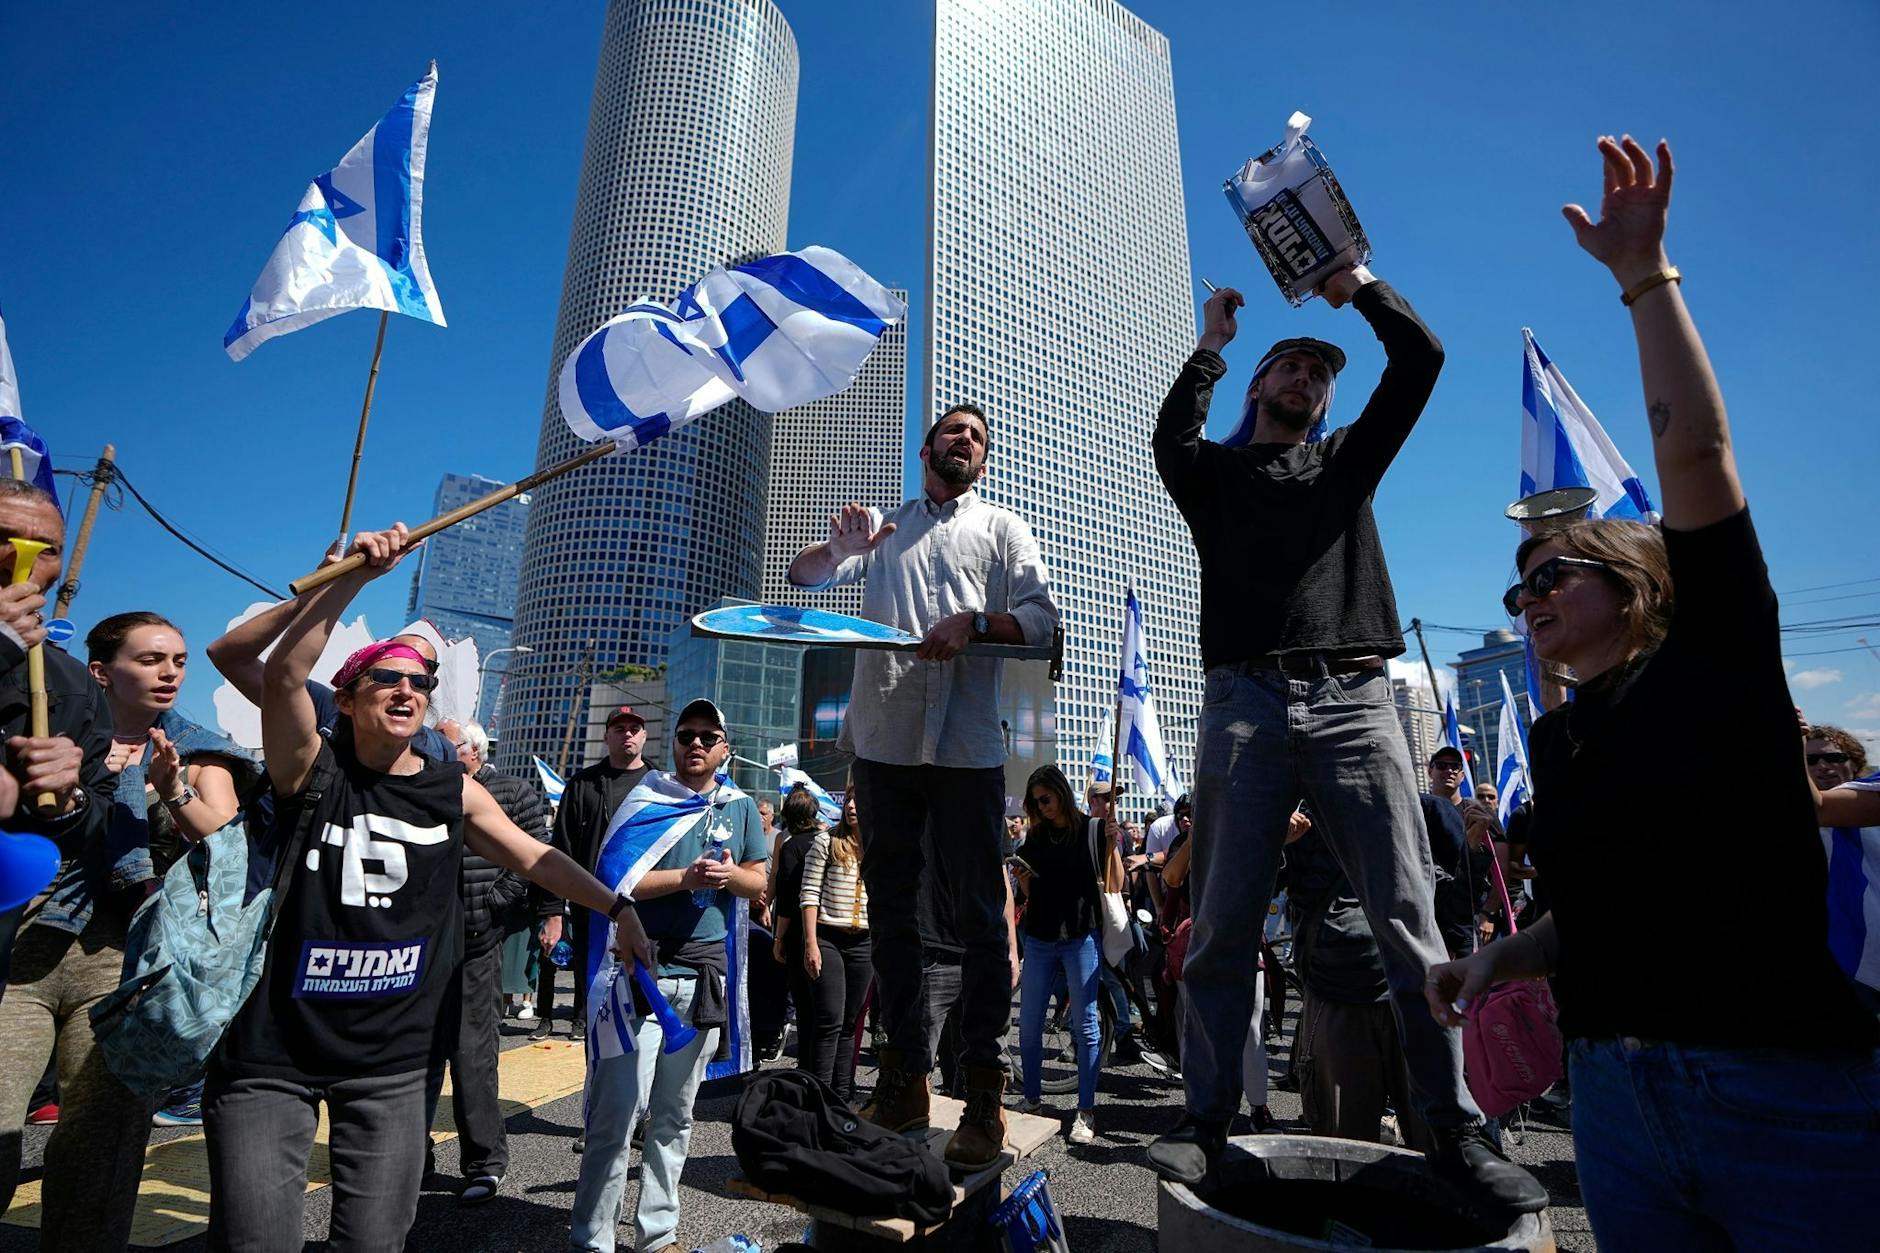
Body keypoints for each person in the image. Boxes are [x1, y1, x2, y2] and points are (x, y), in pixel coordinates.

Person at [1426, 137, 1880, 1248]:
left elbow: (1700, 461)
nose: (1525, 597)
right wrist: (1498, 956)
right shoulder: (1564, 735)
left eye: (1549, 577)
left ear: (1631, 585)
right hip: (1613, 1107)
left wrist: (1641, 279)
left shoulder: (1713, 665)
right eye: (1514, 584)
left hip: (1774, 1096)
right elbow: (1597, 910)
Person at [1147, 257, 1541, 1217]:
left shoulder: (1347, 461)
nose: (1308, 381)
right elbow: (1171, 436)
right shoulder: (1218, 476)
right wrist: (1211, 343)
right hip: (1242, 700)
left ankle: (1450, 1128)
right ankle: (1204, 1123)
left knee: (1410, 916)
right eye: (1291, 367)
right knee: (1223, 923)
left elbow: (1421, 356)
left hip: (1358, 697)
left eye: (1321, 374)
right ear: (1260, 385)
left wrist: (1352, 285)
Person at [205, 524, 651, 1252]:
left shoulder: (453, 788)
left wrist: (618, 906)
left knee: (377, 1241)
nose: (409, 688)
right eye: (389, 677)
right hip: (272, 1056)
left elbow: (537, 857)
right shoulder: (312, 768)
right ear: (346, 699)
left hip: (389, 1061)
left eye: (421, 681)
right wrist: (346, 579)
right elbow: (282, 676)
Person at [787, 402, 1059, 1170]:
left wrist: (974, 623)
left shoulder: (1003, 529)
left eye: (976, 435)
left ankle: (982, 1094)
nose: (964, 441)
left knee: (978, 918)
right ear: (926, 447)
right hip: (883, 744)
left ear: (985, 456)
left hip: (968, 751)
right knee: (893, 913)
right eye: (952, 432)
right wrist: (834, 547)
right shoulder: (885, 528)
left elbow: (1042, 621)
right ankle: (904, 1074)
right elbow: (805, 577)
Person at [570, 698, 767, 1253]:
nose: (696, 744)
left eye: (708, 735)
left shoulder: (742, 806)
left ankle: (657, 1235)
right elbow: (614, 884)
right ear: (674, 745)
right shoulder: (647, 798)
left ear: (725, 747)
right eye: (687, 735)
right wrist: (685, 876)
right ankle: (592, 1240)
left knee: (674, 1119)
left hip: (703, 978)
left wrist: (729, 876)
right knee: (614, 1119)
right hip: (641, 975)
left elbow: (760, 881)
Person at [0, 482, 127, 1249]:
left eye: (46, 545)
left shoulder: (71, 686)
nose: (25, 556)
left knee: (92, 1148)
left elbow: (98, 822)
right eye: (7, 535)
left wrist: (69, 795)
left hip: (63, 941)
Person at [426, 718, 549, 1204]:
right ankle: (412, 1158)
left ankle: (483, 1162)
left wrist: (498, 901)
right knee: (417, 1060)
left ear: (473, 750)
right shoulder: (419, 786)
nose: (435, 749)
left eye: (445, 743)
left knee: (474, 1057)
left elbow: (536, 853)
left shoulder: (511, 792)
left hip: (478, 943)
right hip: (422, 950)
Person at [1010, 766, 1123, 1145]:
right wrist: (1023, 882)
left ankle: (1085, 1111)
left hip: (1080, 936)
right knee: (1027, 1025)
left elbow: (1116, 885)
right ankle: (1033, 1100)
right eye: (1035, 803)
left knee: (1086, 1025)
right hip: (1041, 937)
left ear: (1060, 792)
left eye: (1046, 799)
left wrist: (1113, 846)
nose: (1041, 808)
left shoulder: (1091, 829)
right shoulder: (1036, 834)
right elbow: (1027, 893)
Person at [542, 705, 651, 1041]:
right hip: (593, 908)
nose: (628, 734)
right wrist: (553, 912)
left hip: (647, 907)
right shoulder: (583, 785)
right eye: (620, 728)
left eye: (635, 728)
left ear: (645, 735)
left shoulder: (662, 785)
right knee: (595, 989)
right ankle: (586, 1028)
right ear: (607, 737)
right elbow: (559, 851)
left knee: (644, 1000)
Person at [797, 790, 873, 1102]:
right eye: (849, 801)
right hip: (829, 938)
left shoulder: (879, 846)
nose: (852, 806)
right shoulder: (826, 841)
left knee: (851, 1022)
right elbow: (809, 893)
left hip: (864, 941)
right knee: (829, 1018)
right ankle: (819, 1099)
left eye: (859, 800)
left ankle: (842, 1098)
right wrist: (810, 943)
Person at [768, 786, 823, 1069]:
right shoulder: (828, 841)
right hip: (828, 931)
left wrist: (779, 937)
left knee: (803, 1002)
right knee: (826, 1008)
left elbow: (788, 897)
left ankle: (807, 1066)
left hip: (799, 933)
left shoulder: (791, 846)